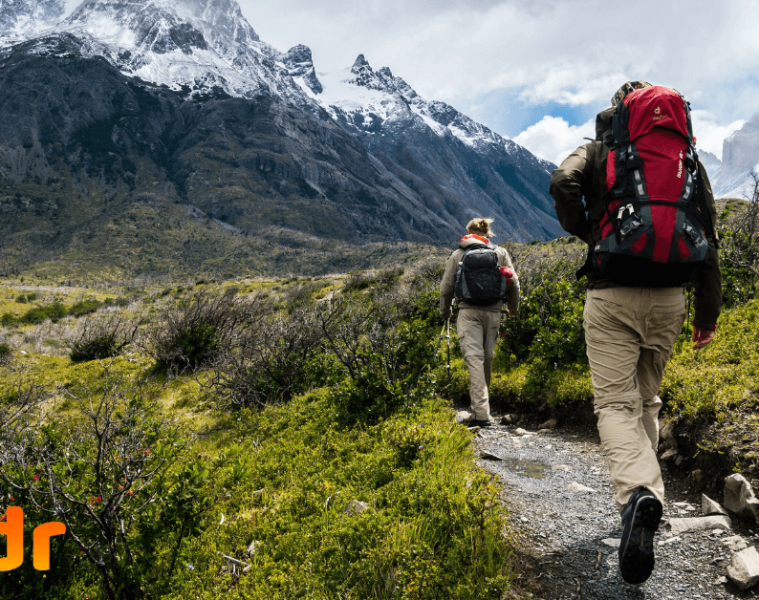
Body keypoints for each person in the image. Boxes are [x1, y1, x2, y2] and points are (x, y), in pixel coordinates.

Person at [549, 81, 722, 585]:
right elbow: (708, 234)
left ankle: (638, 497)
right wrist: (706, 317)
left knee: (614, 405)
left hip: (612, 294)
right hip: (671, 298)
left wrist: (588, 230)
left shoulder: (603, 150)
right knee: (647, 401)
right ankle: (647, 498)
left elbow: (563, 181)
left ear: (619, 111)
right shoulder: (686, 159)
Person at [439, 218, 520, 428]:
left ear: (468, 232)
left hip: (468, 312)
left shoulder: (458, 254)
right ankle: (482, 409)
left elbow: (446, 287)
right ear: (488, 234)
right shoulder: (500, 253)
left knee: (474, 359)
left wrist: (445, 311)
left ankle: (481, 414)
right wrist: (513, 307)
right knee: (487, 359)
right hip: (493, 312)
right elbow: (514, 281)